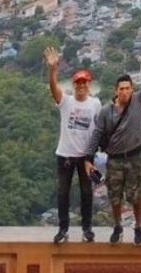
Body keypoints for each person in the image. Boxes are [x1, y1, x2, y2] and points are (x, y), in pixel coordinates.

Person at [84, 34, 141, 246]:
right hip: (115, 159)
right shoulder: (106, 112)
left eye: (128, 88)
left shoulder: (138, 101)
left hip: (135, 156)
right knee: (115, 196)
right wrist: (88, 159)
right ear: (116, 91)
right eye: (121, 89)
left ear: (132, 90)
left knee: (136, 196)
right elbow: (97, 135)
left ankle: (138, 226)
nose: (125, 92)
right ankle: (117, 225)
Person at [44, 46, 101, 244]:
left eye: (84, 82)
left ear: (89, 84)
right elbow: (53, 88)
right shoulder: (66, 101)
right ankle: (63, 228)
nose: (81, 85)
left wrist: (92, 157)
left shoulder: (95, 104)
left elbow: (97, 131)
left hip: (85, 156)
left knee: (86, 193)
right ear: (73, 84)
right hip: (66, 154)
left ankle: (87, 228)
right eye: (78, 82)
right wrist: (52, 69)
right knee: (63, 193)